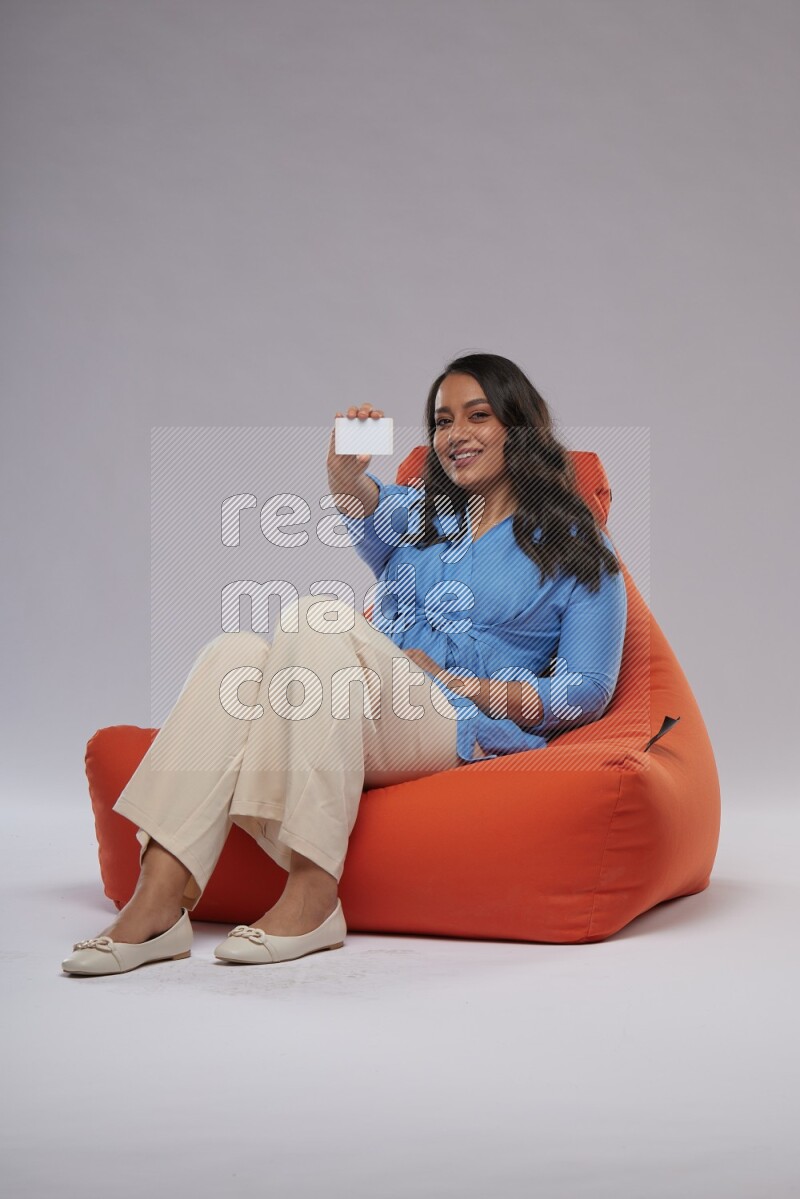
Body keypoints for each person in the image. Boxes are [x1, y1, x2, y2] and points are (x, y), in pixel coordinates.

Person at [61, 353, 627, 976]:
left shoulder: (577, 543)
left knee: (316, 618)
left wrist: (459, 682)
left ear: (518, 426)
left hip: (453, 723)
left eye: (478, 416)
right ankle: (158, 901)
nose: (455, 435)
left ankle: (313, 893)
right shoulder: (427, 515)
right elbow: (365, 502)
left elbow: (586, 691)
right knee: (235, 655)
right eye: (442, 421)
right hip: (360, 708)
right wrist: (342, 473)